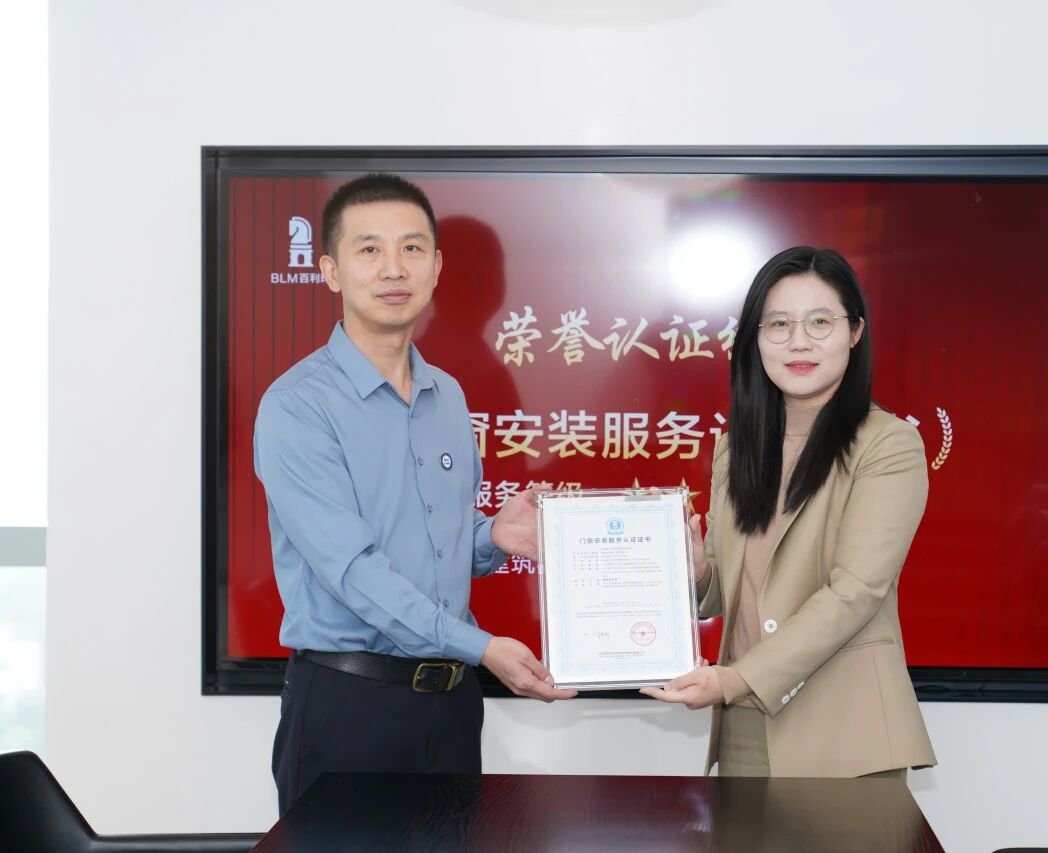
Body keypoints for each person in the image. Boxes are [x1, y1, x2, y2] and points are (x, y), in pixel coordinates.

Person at [254, 173, 575, 815]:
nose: (393, 268)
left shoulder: (446, 395)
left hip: (451, 708)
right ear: (330, 270)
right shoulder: (297, 406)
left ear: (435, 267)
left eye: (412, 248)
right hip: (350, 707)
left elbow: (436, 539)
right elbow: (354, 572)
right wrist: (481, 647)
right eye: (369, 249)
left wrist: (491, 536)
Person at [642, 246, 937, 779]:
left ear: (855, 332)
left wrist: (735, 679)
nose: (799, 341)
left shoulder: (887, 444)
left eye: (820, 322)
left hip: (846, 735)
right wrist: (698, 571)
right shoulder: (735, 447)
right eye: (778, 324)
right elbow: (728, 587)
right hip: (743, 728)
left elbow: (856, 592)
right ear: (755, 339)